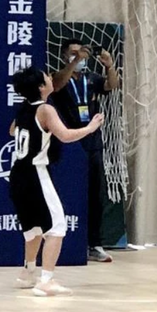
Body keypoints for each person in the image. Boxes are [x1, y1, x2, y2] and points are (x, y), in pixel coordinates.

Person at [10, 66, 104, 297]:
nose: (51, 78)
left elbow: (13, 131)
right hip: (35, 172)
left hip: (17, 174)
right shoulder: (45, 109)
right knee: (57, 226)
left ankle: (27, 273)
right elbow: (65, 135)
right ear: (41, 86)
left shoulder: (24, 109)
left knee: (33, 229)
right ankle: (46, 280)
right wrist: (90, 127)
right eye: (47, 77)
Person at [52, 39, 120, 263]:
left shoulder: (90, 78)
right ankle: (66, 242)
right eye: (73, 53)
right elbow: (57, 85)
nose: (79, 57)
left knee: (96, 193)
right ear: (64, 56)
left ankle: (95, 244)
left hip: (92, 142)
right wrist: (75, 62)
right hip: (67, 142)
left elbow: (111, 85)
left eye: (81, 53)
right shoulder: (58, 76)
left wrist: (109, 66)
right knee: (66, 192)